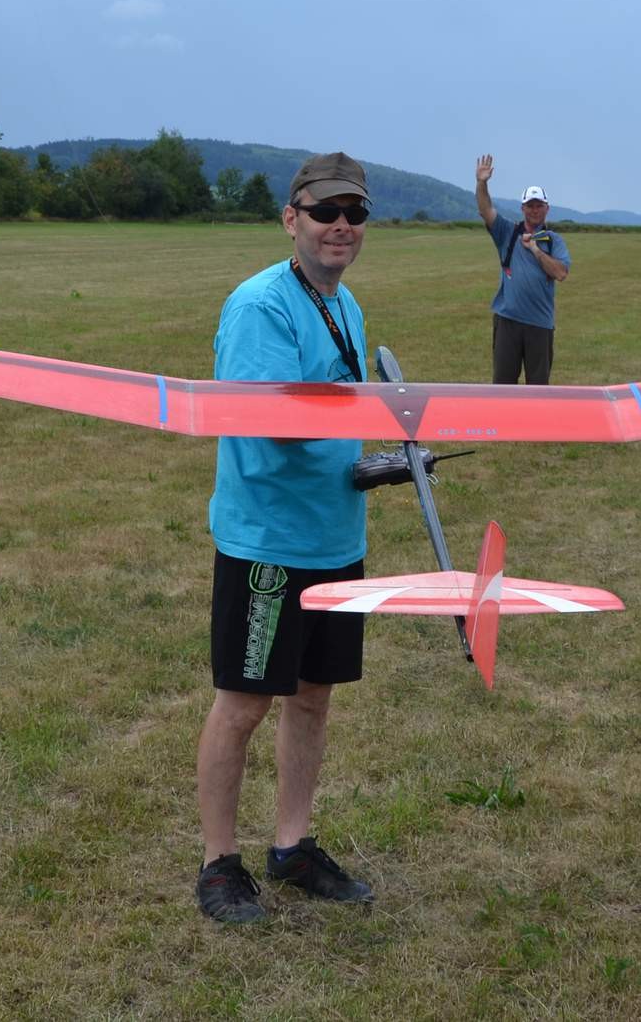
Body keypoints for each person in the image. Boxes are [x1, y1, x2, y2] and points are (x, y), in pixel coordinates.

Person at [195, 151, 378, 924]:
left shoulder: (346, 304)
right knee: (243, 702)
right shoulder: (260, 306)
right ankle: (219, 863)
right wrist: (367, 430)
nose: (341, 225)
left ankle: (292, 846)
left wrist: (380, 457)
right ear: (290, 218)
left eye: (355, 213)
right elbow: (269, 420)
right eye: (326, 211)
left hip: (334, 536)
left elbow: (340, 409)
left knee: (312, 698)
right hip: (267, 544)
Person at [474, 155, 570, 384]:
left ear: (547, 209)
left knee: (538, 389)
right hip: (508, 321)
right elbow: (486, 210)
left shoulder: (554, 241)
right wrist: (481, 183)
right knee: (503, 386)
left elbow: (560, 273)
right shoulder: (507, 232)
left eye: (539, 206)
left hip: (540, 325)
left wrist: (535, 250)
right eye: (530, 206)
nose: (534, 210)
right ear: (522, 208)